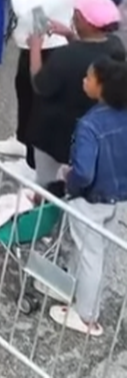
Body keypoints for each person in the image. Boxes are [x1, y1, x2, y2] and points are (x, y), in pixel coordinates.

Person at [0, 0, 90, 159]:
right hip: (52, 26)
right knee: (30, 93)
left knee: (30, 94)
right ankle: (23, 139)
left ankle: (27, 150)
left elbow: (23, 8)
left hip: (41, 42)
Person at [51, 56, 127, 336]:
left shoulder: (90, 125)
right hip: (117, 197)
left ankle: (86, 316)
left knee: (90, 254)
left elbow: (83, 173)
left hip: (90, 199)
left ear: (102, 86)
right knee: (96, 251)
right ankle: (70, 286)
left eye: (89, 77)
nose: (84, 81)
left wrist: (68, 180)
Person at [26, 0, 126, 185]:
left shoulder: (64, 56)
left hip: (52, 133)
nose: (73, 17)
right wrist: (70, 35)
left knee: (46, 183)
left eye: (77, 15)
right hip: (86, 135)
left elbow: (39, 84)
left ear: (88, 23)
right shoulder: (115, 46)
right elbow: (87, 52)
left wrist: (35, 48)